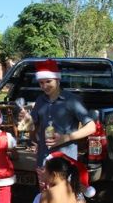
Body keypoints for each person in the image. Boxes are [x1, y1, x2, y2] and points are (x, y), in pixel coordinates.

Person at [20, 59, 96, 189]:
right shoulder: (40, 100)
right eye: (41, 83)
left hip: (64, 163)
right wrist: (26, 121)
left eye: (48, 81)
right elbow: (32, 129)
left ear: (58, 80)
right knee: (45, 196)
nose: (44, 86)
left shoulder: (72, 100)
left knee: (63, 197)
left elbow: (91, 127)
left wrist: (66, 138)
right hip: (43, 161)